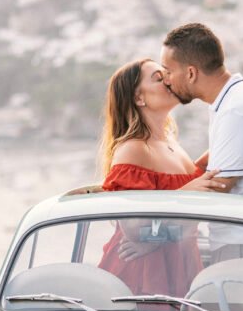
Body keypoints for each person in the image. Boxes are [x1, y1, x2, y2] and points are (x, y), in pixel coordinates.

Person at [160, 22, 243, 265]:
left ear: (191, 73)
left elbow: (217, 186)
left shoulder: (235, 109)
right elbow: (210, 165)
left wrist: (152, 221)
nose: (166, 80)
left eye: (168, 71)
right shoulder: (232, 101)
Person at [95, 58, 226, 297]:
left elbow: (185, 217)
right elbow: (133, 230)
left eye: (167, 74)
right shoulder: (133, 149)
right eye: (158, 78)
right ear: (139, 98)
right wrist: (185, 195)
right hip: (143, 272)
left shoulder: (171, 145)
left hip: (181, 262)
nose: (169, 80)